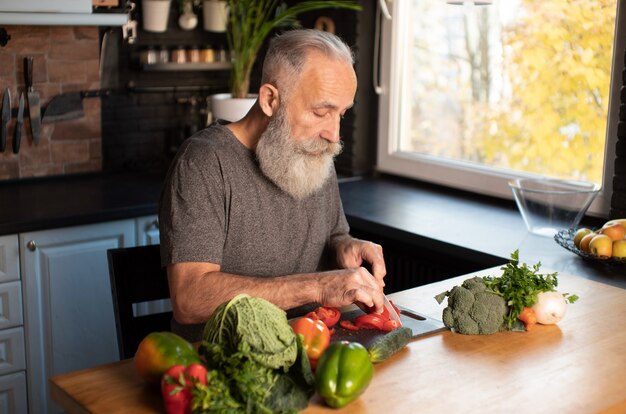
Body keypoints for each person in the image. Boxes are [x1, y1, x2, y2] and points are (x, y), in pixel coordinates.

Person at [159, 29, 387, 341]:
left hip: (313, 347)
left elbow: (334, 233)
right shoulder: (203, 163)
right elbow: (189, 299)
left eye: (341, 114)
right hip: (224, 361)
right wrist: (320, 287)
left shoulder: (315, 150)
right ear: (270, 99)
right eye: (321, 112)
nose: (334, 134)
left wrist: (345, 246)